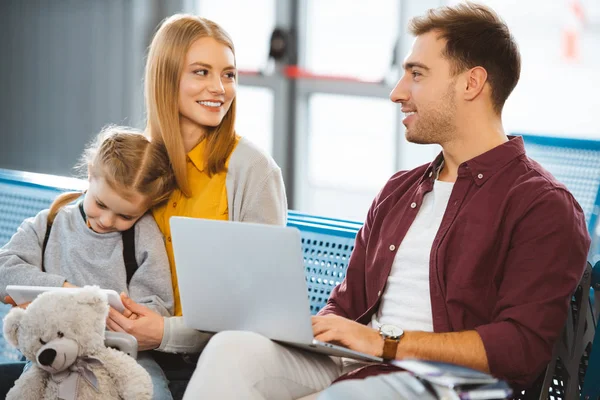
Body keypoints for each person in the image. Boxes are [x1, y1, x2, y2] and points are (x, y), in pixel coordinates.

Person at [181, 3, 590, 399]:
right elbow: (345, 305)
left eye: (417, 74)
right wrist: (314, 329)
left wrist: (385, 343)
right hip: (358, 364)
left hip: (446, 383)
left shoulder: (542, 205)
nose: (398, 93)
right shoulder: (400, 191)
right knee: (231, 351)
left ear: (472, 83)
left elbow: (520, 348)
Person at [103, 14, 287, 399]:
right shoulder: (135, 162)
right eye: (201, 72)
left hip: (209, 368)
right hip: (120, 352)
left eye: (229, 74)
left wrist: (165, 333)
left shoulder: (252, 171)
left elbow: (260, 315)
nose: (219, 88)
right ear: (166, 77)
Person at [0, 126, 177, 397]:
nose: (107, 221)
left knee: (153, 393)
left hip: (124, 358)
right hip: (51, 358)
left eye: (125, 216)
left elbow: (158, 305)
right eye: (101, 204)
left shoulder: (143, 235)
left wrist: (132, 315)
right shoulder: (49, 224)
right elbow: (4, 272)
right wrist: (68, 293)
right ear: (90, 175)